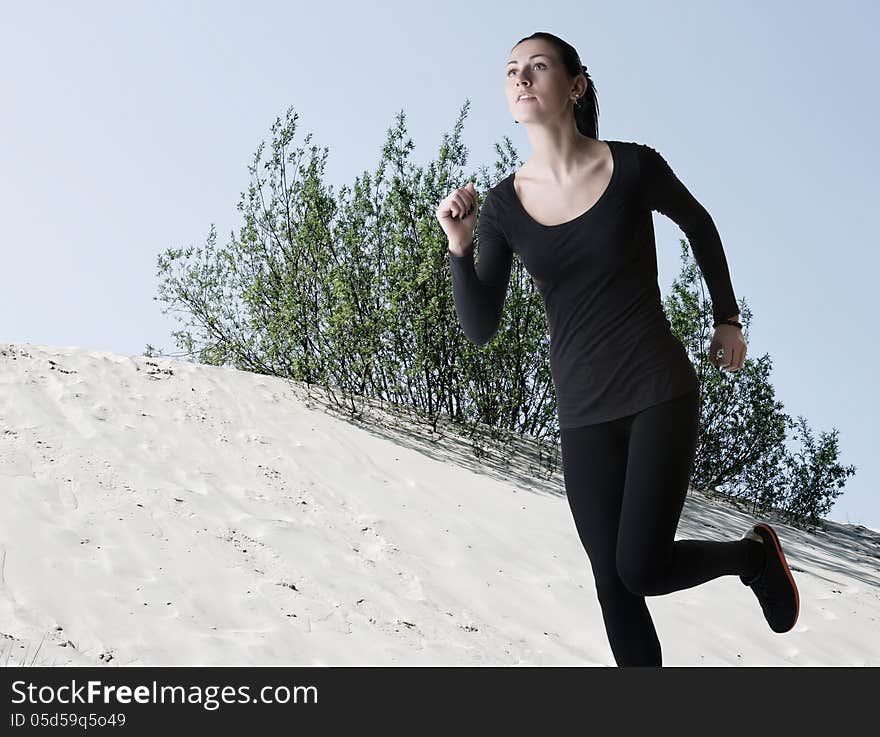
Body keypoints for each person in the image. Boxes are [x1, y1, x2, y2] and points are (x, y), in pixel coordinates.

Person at [435, 32, 799, 666]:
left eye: (538, 67)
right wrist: (459, 247)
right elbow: (479, 326)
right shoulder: (499, 207)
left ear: (574, 85)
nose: (522, 79)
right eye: (512, 71)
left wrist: (728, 318)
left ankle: (752, 557)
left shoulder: (631, 167)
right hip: (582, 415)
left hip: (657, 390)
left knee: (641, 567)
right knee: (613, 585)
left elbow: (698, 223)